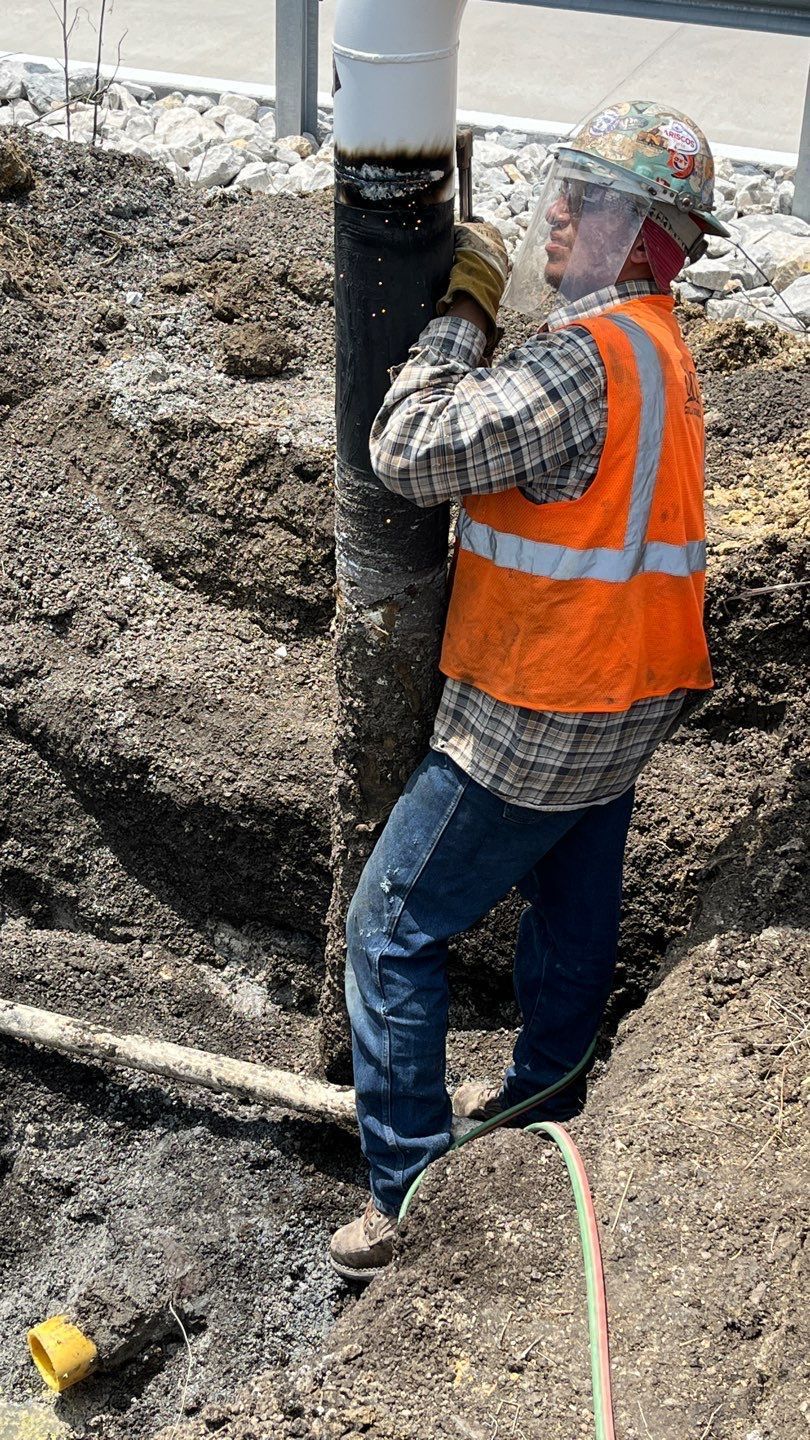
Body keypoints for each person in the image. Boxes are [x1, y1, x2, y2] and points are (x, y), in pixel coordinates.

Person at [329, 101, 724, 1282]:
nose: (558, 207)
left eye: (587, 196)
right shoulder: (658, 347)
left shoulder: (582, 363)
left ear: (650, 237)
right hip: (627, 691)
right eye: (565, 181)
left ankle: (407, 1196)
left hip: (539, 702)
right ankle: (550, 1098)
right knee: (568, 905)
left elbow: (405, 449)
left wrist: (461, 307)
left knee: (390, 928)